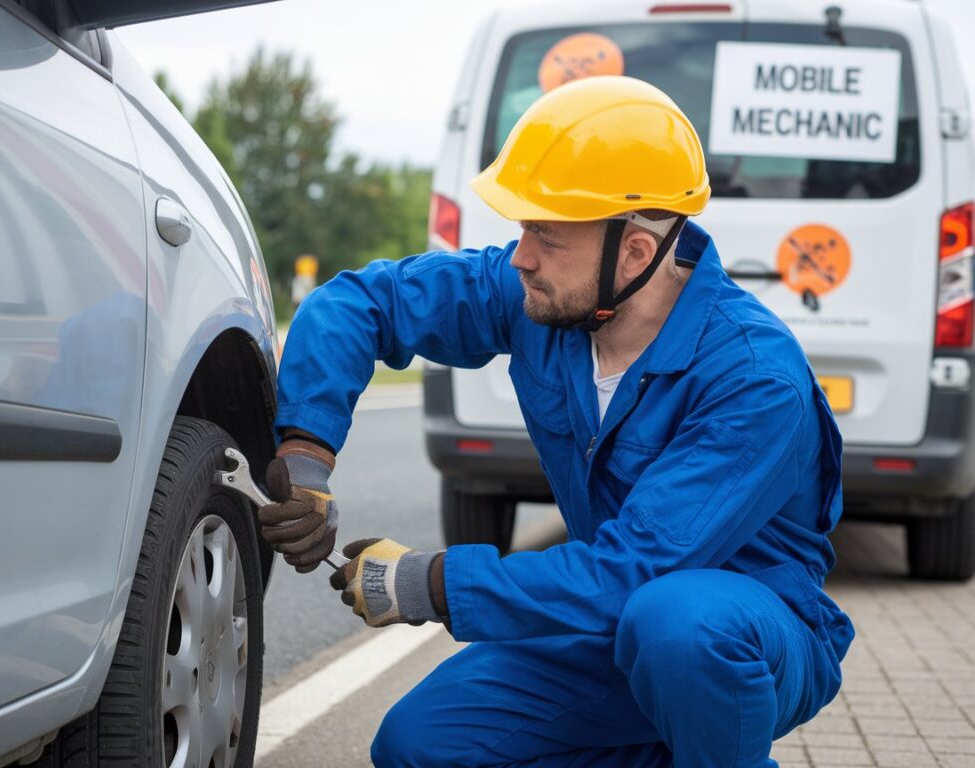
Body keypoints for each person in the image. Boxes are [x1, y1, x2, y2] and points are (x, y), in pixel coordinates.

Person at [259, 76, 854, 767]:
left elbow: (636, 570)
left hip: (745, 634)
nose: (522, 256)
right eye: (522, 229)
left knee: (675, 624)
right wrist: (305, 455)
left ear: (634, 251)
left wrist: (431, 582)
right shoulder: (549, 299)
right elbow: (363, 302)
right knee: (420, 745)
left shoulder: (753, 378)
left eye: (546, 234)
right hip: (601, 619)